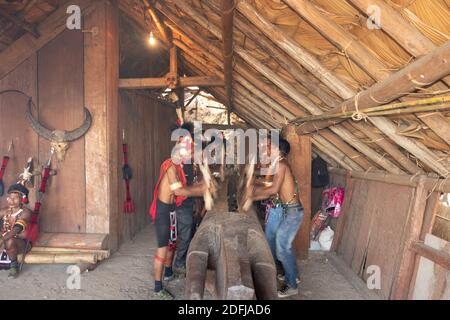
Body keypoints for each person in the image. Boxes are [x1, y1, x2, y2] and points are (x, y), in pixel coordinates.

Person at [149, 124, 206, 300]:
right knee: (162, 249)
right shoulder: (170, 167)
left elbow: (185, 187)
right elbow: (179, 192)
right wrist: (202, 190)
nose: (189, 155)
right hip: (163, 212)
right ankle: (158, 289)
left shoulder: (179, 167)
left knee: (172, 244)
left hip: (172, 210)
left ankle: (168, 273)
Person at [244, 137, 303, 298]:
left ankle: (292, 285)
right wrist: (253, 181)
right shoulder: (277, 164)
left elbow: (272, 189)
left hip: (292, 211)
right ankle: (290, 272)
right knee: (272, 240)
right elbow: (267, 182)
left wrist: (252, 197)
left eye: (269, 147)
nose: (266, 150)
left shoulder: (282, 165)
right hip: (284, 209)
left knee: (282, 247)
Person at [0, 183, 32, 278]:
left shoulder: (26, 212)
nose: (12, 200)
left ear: (22, 199)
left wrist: (2, 239)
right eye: (10, 197)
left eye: (15, 198)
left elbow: (17, 229)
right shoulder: (4, 211)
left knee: (10, 241)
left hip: (20, 243)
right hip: (2, 239)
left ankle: (14, 266)